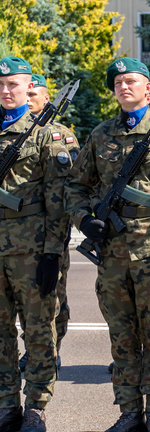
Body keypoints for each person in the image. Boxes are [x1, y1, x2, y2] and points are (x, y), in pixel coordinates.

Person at [65, 57, 150, 432]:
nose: (125, 87)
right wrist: (84, 220)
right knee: (122, 335)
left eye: (133, 81)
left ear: (148, 89)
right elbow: (75, 186)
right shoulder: (100, 135)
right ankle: (128, 412)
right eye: (119, 82)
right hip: (112, 253)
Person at [0, 57, 69, 432]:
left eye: (14, 84)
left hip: (30, 250)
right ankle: (6, 404)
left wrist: (52, 253)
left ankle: (36, 407)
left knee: (38, 331)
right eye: (2, 84)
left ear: (30, 89)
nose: (7, 90)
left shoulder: (47, 136)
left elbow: (58, 200)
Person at [17, 74, 79, 373]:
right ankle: (33, 347)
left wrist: (56, 241)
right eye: (24, 95)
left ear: (46, 99)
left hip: (47, 234)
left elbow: (68, 192)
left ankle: (50, 347)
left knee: (52, 297)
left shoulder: (59, 136)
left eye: (33, 95)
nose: (28, 100)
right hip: (14, 236)